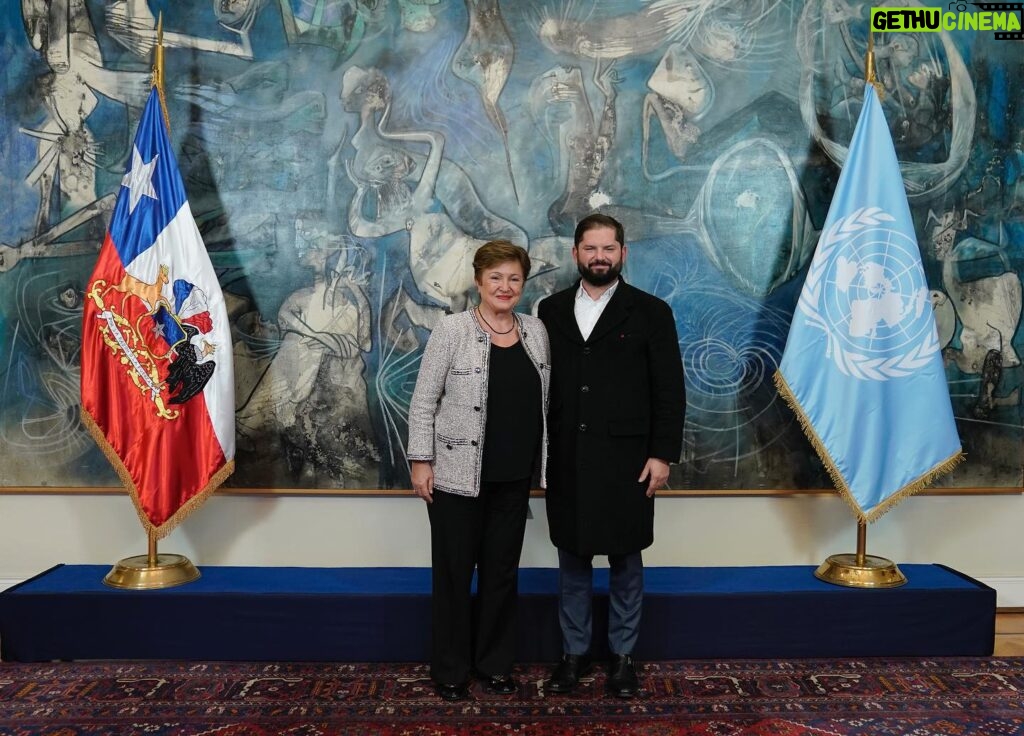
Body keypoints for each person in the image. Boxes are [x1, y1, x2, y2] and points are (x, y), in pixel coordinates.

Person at [537, 213, 685, 698]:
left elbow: (670, 391)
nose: (599, 257)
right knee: (573, 563)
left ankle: (622, 658)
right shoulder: (549, 309)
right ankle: (573, 656)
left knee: (626, 563)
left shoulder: (651, 312)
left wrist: (662, 455)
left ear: (623, 253)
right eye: (589, 248)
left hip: (629, 461)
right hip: (568, 457)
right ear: (576, 253)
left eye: (608, 248)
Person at [406, 240, 551, 701]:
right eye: (496, 278)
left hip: (513, 479)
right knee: (453, 574)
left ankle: (494, 664)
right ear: (478, 281)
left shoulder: (536, 330)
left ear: (522, 284)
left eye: (513, 279)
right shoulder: (452, 330)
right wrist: (420, 461)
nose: (505, 287)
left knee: (501, 574)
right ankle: (450, 670)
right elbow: (424, 401)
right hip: (455, 476)